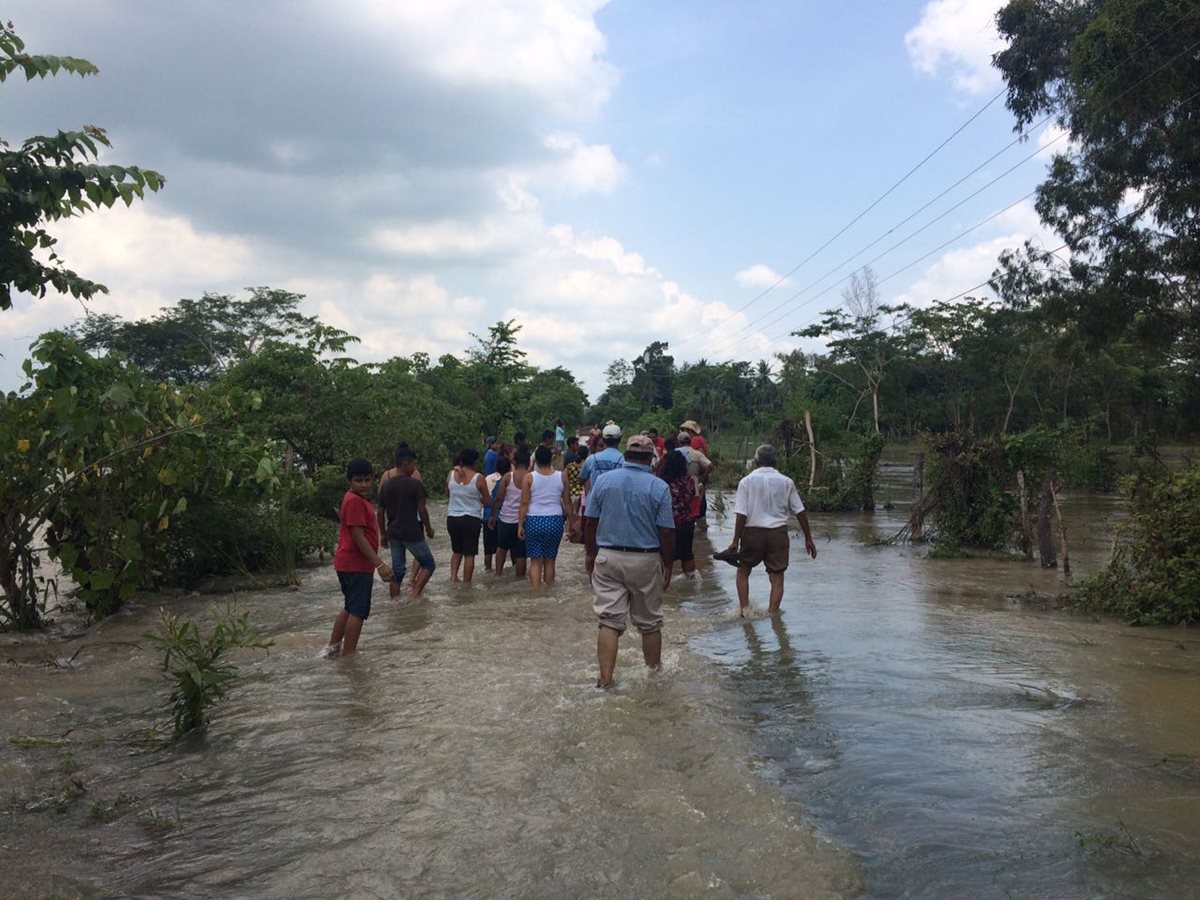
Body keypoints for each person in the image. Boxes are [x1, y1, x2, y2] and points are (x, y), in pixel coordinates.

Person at [584, 435, 675, 688]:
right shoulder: (658, 487)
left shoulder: (603, 482)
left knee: (609, 621)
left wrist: (590, 554)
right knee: (650, 623)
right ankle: (653, 679)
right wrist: (668, 565)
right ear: (650, 459)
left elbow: (590, 521)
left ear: (626, 455)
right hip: (646, 559)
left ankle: (605, 680)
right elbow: (667, 531)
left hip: (608, 556)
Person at [714, 443, 817, 616]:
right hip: (778, 534)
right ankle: (772, 616)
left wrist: (735, 541)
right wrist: (808, 538)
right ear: (775, 461)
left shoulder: (746, 482)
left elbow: (741, 514)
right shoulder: (786, 482)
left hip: (752, 533)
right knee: (777, 578)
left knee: (743, 570)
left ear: (756, 461)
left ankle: (745, 611)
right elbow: (800, 511)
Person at [327, 458, 392, 656]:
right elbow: (357, 536)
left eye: (367, 480)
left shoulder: (353, 499)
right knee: (358, 611)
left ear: (372, 479)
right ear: (349, 481)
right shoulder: (354, 501)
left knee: (349, 607)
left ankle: (332, 649)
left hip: (348, 563)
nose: (363, 484)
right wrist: (379, 564)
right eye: (358, 480)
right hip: (356, 564)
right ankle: (349, 656)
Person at [377, 445, 437, 599]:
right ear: (406, 464)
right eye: (413, 464)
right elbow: (422, 510)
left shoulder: (386, 486)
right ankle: (415, 595)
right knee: (429, 564)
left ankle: (394, 600)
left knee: (398, 571)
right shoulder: (415, 485)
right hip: (412, 532)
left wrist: (383, 534)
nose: (414, 468)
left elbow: (380, 512)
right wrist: (429, 529)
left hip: (394, 533)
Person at [519, 444, 575, 587]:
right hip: (555, 521)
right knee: (550, 560)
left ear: (535, 460)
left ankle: (536, 592)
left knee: (535, 561)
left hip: (533, 521)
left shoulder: (529, 477)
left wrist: (520, 524)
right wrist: (572, 522)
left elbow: (524, 503)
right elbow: (567, 502)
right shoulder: (562, 476)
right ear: (551, 459)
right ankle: (549, 589)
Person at [446, 448, 491, 583]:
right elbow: (487, 501)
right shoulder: (479, 478)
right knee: (469, 554)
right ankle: (466, 583)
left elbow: (448, 493)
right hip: (471, 519)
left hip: (452, 518)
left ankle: (453, 578)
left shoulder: (451, 474)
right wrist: (478, 498)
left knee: (456, 550)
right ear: (476, 462)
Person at [658, 444, 698, 578]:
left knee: (663, 555)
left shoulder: (662, 483)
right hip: (687, 522)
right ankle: (691, 582)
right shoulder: (689, 482)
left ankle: (664, 586)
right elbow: (694, 497)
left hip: (667, 524)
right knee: (687, 554)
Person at [489, 447, 529, 578]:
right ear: (529, 463)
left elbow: (499, 499)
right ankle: (520, 578)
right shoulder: (531, 478)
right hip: (522, 521)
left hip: (505, 520)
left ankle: (498, 574)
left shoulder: (507, 477)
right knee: (521, 552)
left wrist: (492, 516)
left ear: (515, 463)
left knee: (501, 547)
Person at [578, 422, 625, 494]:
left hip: (595, 502)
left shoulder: (591, 459)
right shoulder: (624, 460)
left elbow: (582, 479)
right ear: (620, 439)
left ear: (603, 439)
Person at [680, 420, 711, 528]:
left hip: (696, 474)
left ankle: (696, 523)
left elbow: (700, 455)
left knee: (695, 500)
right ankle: (701, 524)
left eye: (684, 430)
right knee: (701, 498)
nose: (683, 432)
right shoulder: (701, 439)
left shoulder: (695, 441)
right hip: (701, 473)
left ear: (689, 430)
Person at [482, 454, 505, 571]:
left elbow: (483, 498)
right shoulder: (508, 479)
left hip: (487, 516)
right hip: (502, 518)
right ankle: (500, 571)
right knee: (502, 547)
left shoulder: (488, 478)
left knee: (488, 548)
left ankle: (488, 568)